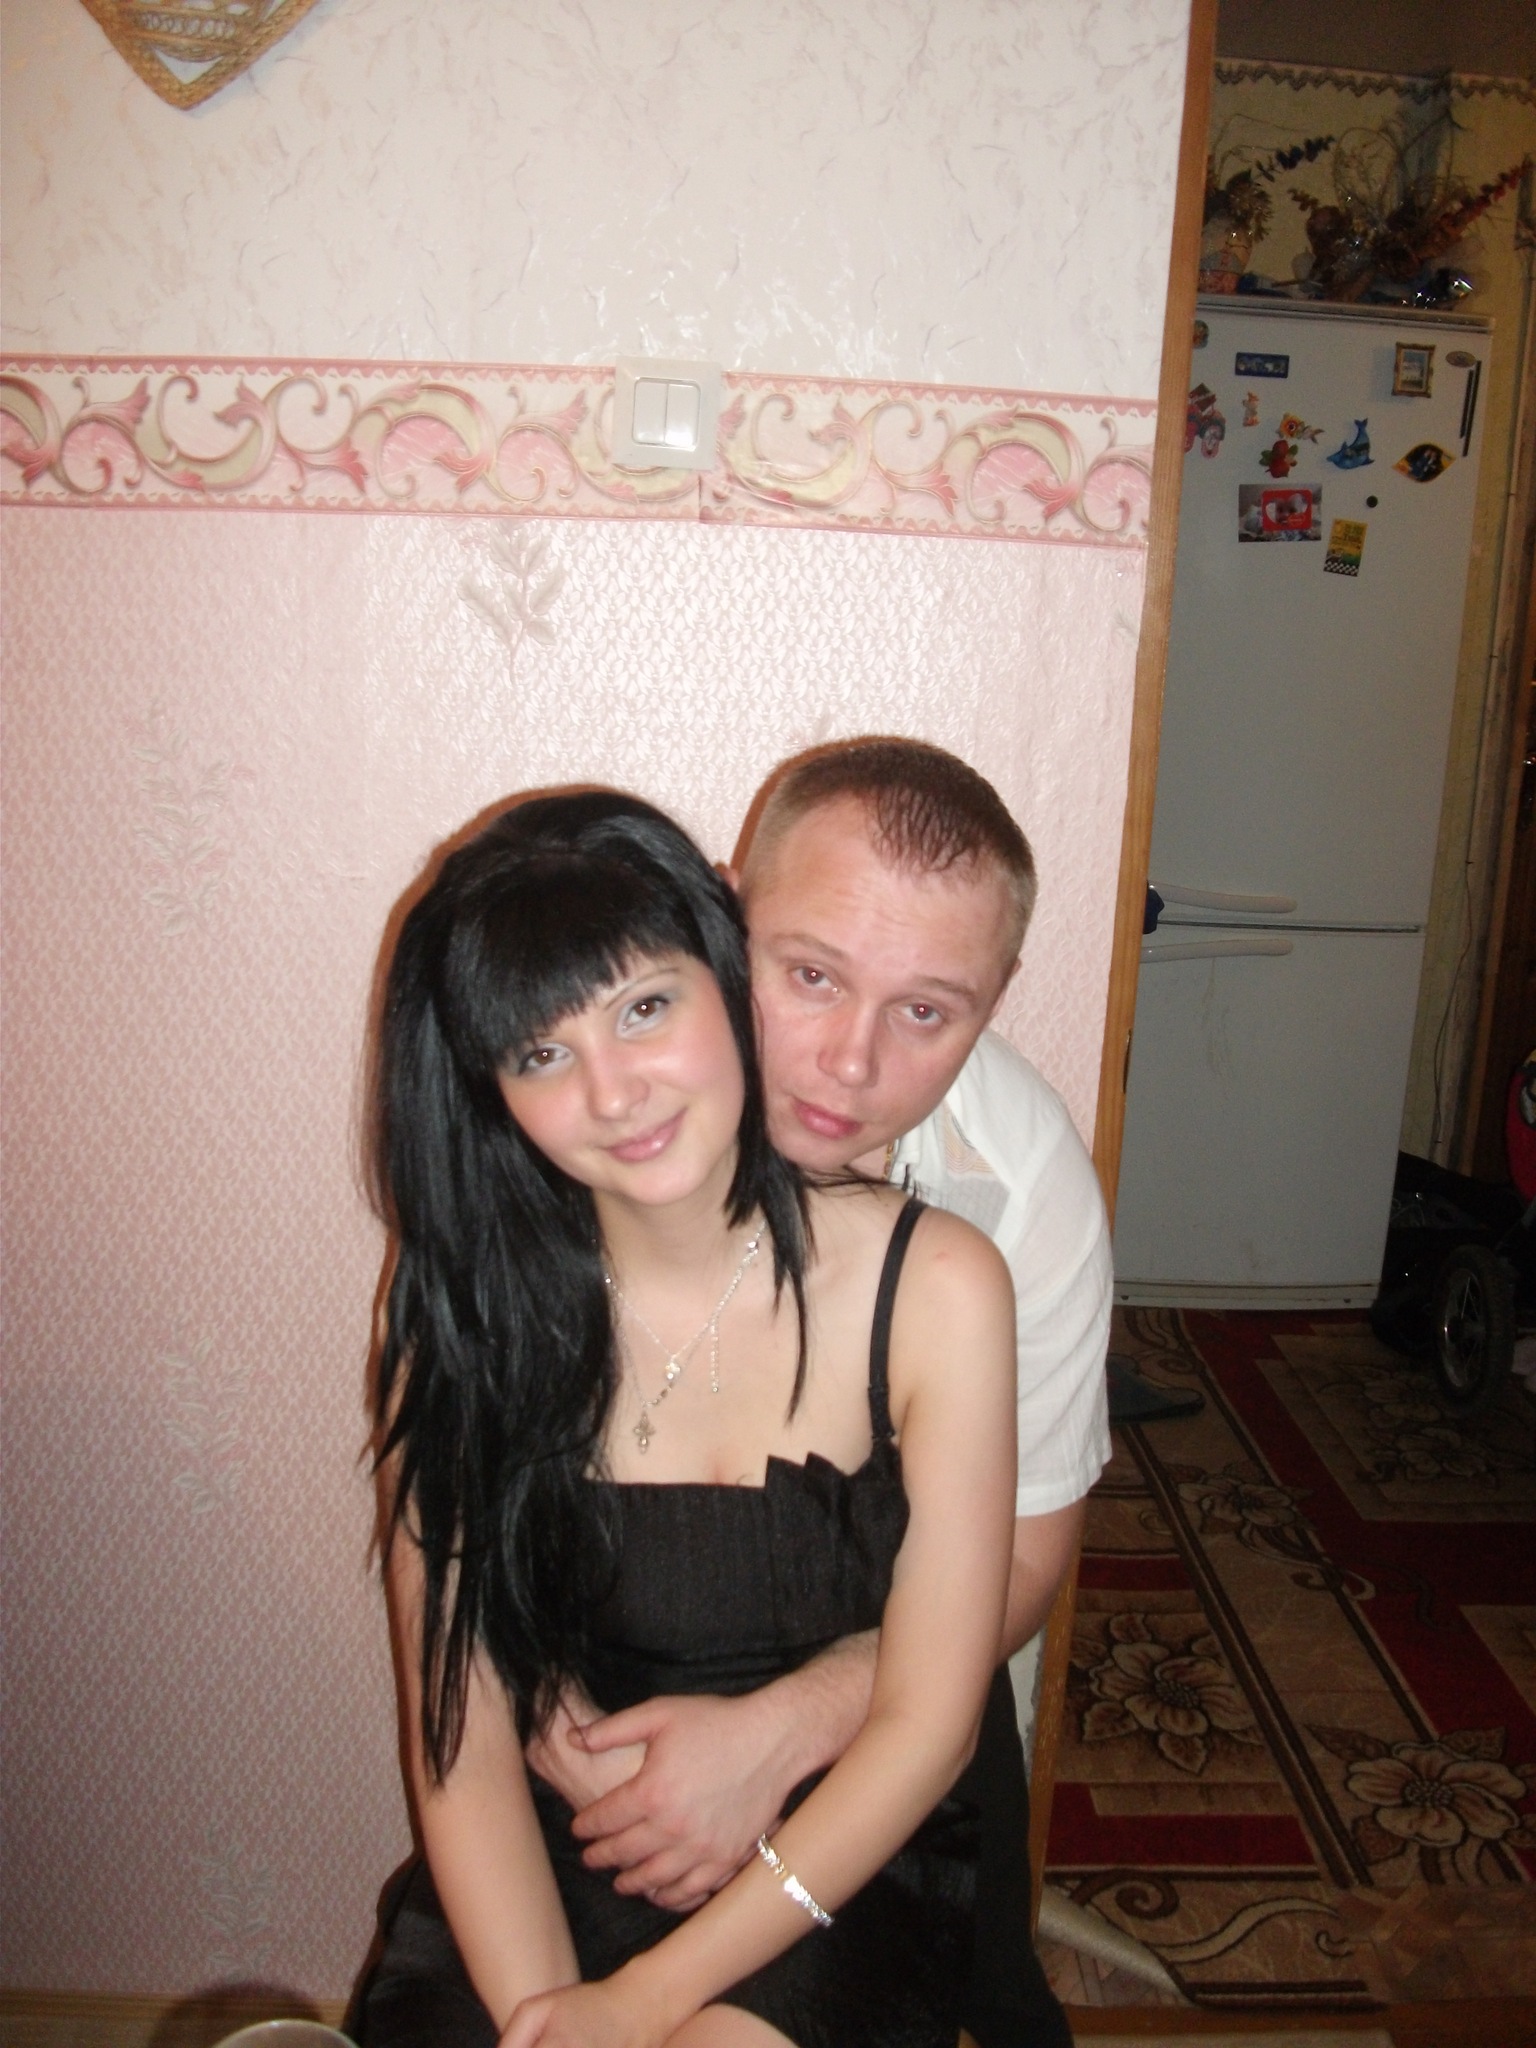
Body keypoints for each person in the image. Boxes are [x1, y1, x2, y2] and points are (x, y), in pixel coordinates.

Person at [354, 789, 1020, 2048]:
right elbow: (464, 1744)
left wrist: (638, 2006)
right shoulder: (458, 1315)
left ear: (723, 973)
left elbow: (932, 1724)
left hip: (833, 1854)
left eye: (644, 1008)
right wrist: (550, 2020)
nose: (614, 1092)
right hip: (562, 1834)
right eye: (540, 1053)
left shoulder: (939, 1288)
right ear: (491, 1090)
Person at [526, 741, 1109, 2047]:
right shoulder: (600, 1100)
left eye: (927, 1011)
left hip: (904, 1691)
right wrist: (536, 1695)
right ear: (723, 910)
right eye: (810, 976)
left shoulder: (1020, 1195)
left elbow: (1026, 1555)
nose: (850, 1064)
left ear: (997, 997)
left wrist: (787, 1728)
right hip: (612, 1672)